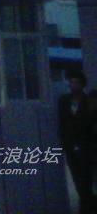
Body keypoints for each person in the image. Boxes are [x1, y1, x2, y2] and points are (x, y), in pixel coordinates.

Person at [59, 70, 95, 214]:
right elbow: (62, 122)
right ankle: (88, 202)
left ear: (82, 84)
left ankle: (86, 205)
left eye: (76, 83)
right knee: (76, 176)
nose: (73, 85)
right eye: (71, 82)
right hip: (70, 144)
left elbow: (90, 121)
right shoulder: (64, 100)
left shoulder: (89, 100)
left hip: (86, 144)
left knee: (85, 176)